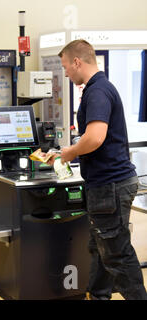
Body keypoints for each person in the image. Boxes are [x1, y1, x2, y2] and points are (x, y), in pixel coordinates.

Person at [52, 39, 147, 300]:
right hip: (109, 183)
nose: (66, 73)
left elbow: (95, 137)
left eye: (66, 67)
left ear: (77, 61)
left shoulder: (97, 92)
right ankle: (98, 296)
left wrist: (68, 153)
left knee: (117, 254)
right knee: (100, 247)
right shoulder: (100, 88)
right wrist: (68, 151)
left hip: (110, 185)